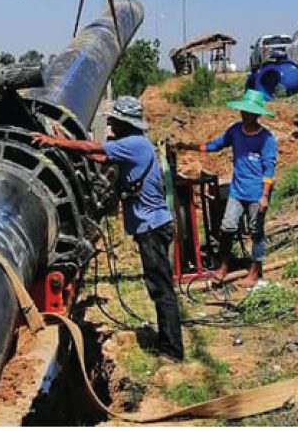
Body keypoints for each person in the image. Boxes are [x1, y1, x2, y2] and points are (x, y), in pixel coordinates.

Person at [31, 96, 184, 362]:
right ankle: (166, 340)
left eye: (115, 123)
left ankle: (172, 349)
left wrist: (56, 142)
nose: (112, 128)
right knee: (157, 286)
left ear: (126, 124)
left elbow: (93, 148)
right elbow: (99, 155)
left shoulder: (134, 145)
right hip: (150, 226)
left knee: (161, 288)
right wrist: (65, 143)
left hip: (152, 227)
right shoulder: (134, 145)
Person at [176, 88, 277, 289]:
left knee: (256, 232)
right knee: (228, 227)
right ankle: (223, 266)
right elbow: (216, 145)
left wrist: (264, 196)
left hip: (257, 193)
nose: (245, 115)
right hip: (237, 191)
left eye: (249, 113)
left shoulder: (266, 139)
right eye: (243, 111)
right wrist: (189, 146)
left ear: (257, 115)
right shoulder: (235, 131)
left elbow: (269, 169)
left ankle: (254, 271)